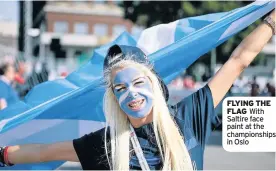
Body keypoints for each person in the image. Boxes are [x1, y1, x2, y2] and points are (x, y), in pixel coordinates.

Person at [0, 9, 275, 170]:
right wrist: (4, 154)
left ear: (154, 84)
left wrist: (271, 23)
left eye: (138, 83)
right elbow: (44, 152)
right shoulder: (108, 143)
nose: (131, 93)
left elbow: (238, 61)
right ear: (114, 98)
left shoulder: (190, 116)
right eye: (120, 88)